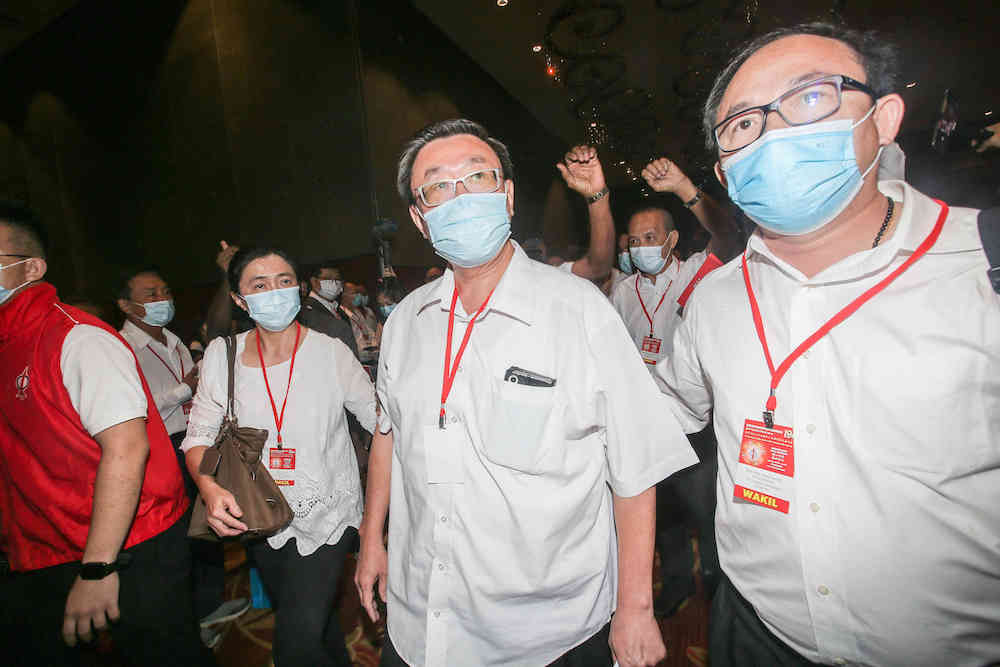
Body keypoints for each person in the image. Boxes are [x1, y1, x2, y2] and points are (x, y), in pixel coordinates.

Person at [656, 22, 1000, 665]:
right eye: (743, 125)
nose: (776, 132)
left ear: (885, 116)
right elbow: (667, 412)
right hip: (755, 636)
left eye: (810, 97)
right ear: (726, 170)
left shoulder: (983, 265)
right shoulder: (714, 300)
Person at [355, 118, 697, 667]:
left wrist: (635, 607)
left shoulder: (578, 310)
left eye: (476, 177)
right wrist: (373, 538)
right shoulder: (405, 324)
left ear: (508, 196)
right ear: (421, 219)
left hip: (544, 631)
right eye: (438, 186)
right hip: (421, 616)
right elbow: (386, 437)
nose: (459, 195)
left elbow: (634, 465)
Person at [0, 203, 211, 666]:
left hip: (125, 541)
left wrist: (98, 567)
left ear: (31, 268)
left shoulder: (78, 338)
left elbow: (127, 447)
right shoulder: (11, 344)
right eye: (150, 292)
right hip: (45, 546)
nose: (162, 297)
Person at [181, 246, 377, 667]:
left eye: (284, 281)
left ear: (300, 288)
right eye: (259, 284)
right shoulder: (223, 355)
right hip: (260, 513)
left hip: (328, 514)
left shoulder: (330, 352)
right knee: (313, 623)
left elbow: (380, 422)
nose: (275, 292)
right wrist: (209, 487)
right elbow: (197, 435)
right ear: (239, 299)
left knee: (295, 644)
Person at [116, 267, 249, 646]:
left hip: (194, 439)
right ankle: (190, 616)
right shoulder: (123, 348)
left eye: (165, 290)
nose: (162, 299)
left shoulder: (173, 340)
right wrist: (182, 390)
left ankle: (210, 604)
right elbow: (132, 410)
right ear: (126, 305)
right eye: (150, 293)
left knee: (206, 526)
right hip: (161, 445)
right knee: (178, 536)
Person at [298, 261, 360, 358]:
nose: (334, 283)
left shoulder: (338, 309)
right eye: (328, 279)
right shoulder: (307, 312)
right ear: (314, 282)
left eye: (337, 279)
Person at [340, 280, 381, 368]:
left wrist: (374, 346)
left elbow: (369, 332)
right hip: (354, 361)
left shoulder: (357, 312)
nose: (357, 296)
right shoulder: (340, 314)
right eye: (354, 293)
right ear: (344, 295)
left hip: (369, 358)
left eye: (357, 293)